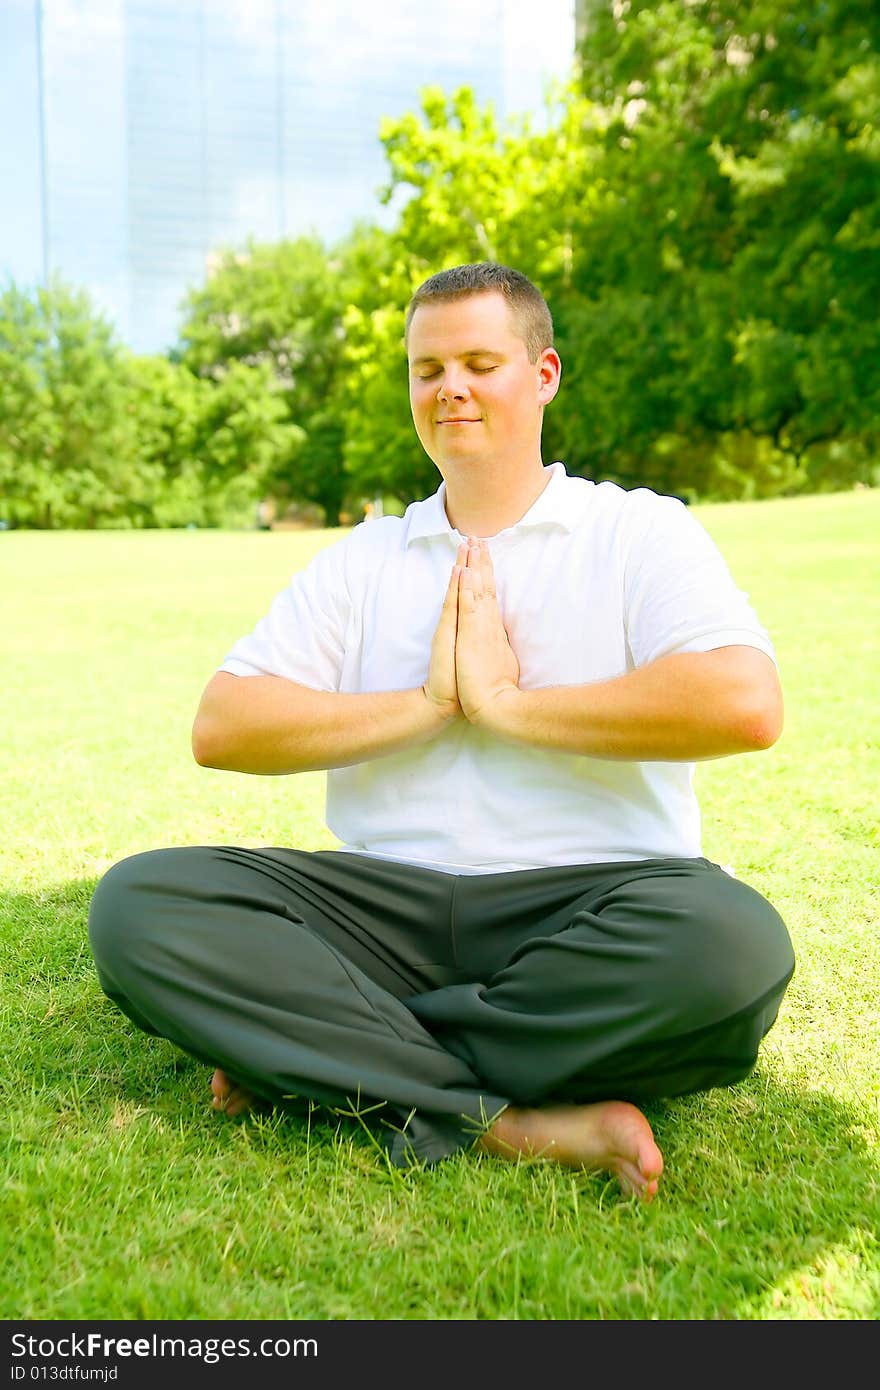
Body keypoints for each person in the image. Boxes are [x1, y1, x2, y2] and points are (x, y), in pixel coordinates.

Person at [88, 262, 795, 1201]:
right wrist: (426, 707)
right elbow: (223, 725)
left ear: (542, 374)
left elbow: (744, 702)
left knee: (733, 949)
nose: (449, 388)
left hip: (595, 902)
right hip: (379, 912)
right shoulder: (368, 557)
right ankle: (503, 1124)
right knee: (141, 905)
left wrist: (509, 706)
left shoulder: (635, 532)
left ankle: (324, 1054)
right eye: (427, 370)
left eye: (477, 362)